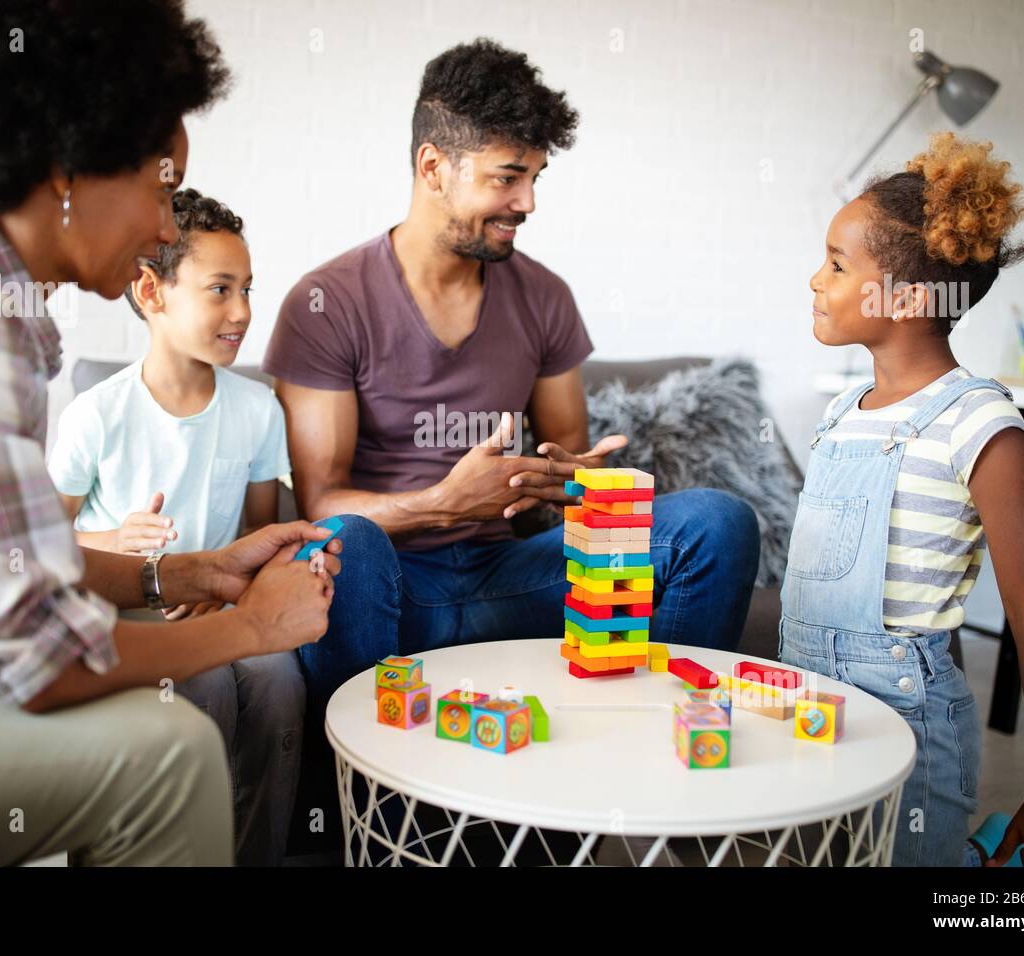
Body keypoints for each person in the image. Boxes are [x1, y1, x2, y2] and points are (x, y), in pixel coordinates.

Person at [0, 0, 338, 866]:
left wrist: (195, 570)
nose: (165, 228)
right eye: (161, 187)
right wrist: (252, 628)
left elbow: (7, 566)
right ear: (68, 169)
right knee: (168, 753)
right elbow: (34, 656)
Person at [263, 38, 761, 688]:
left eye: (534, 179)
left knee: (717, 524)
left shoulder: (544, 296)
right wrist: (444, 503)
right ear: (433, 166)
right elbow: (321, 501)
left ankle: (658, 746)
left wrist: (569, 479)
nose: (528, 203)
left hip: (511, 579)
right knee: (340, 541)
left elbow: (574, 476)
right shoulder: (327, 302)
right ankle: (361, 776)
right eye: (507, 178)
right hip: (388, 585)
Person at [782, 132, 1024, 866]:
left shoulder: (979, 423)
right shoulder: (840, 412)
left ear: (912, 297)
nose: (815, 281)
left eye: (836, 264)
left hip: (906, 713)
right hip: (804, 700)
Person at [49, 187, 310, 865]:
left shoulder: (258, 410)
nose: (244, 311)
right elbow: (42, 549)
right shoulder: (94, 415)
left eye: (248, 289)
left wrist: (230, 589)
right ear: (151, 292)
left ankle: (260, 855)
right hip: (135, 607)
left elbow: (261, 535)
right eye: (220, 290)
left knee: (280, 678)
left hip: (221, 597)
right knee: (206, 684)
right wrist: (112, 541)